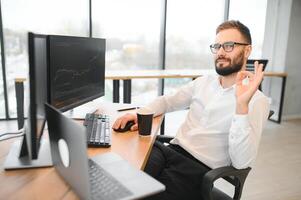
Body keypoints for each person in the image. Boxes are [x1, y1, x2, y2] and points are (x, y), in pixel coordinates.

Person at [113, 20, 270, 200]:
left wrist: (241, 106)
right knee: (120, 180)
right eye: (217, 46)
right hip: (168, 150)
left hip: (195, 168)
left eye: (229, 46)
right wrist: (139, 113)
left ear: (247, 50)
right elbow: (168, 101)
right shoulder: (204, 82)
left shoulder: (257, 101)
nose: (220, 52)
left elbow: (242, 162)